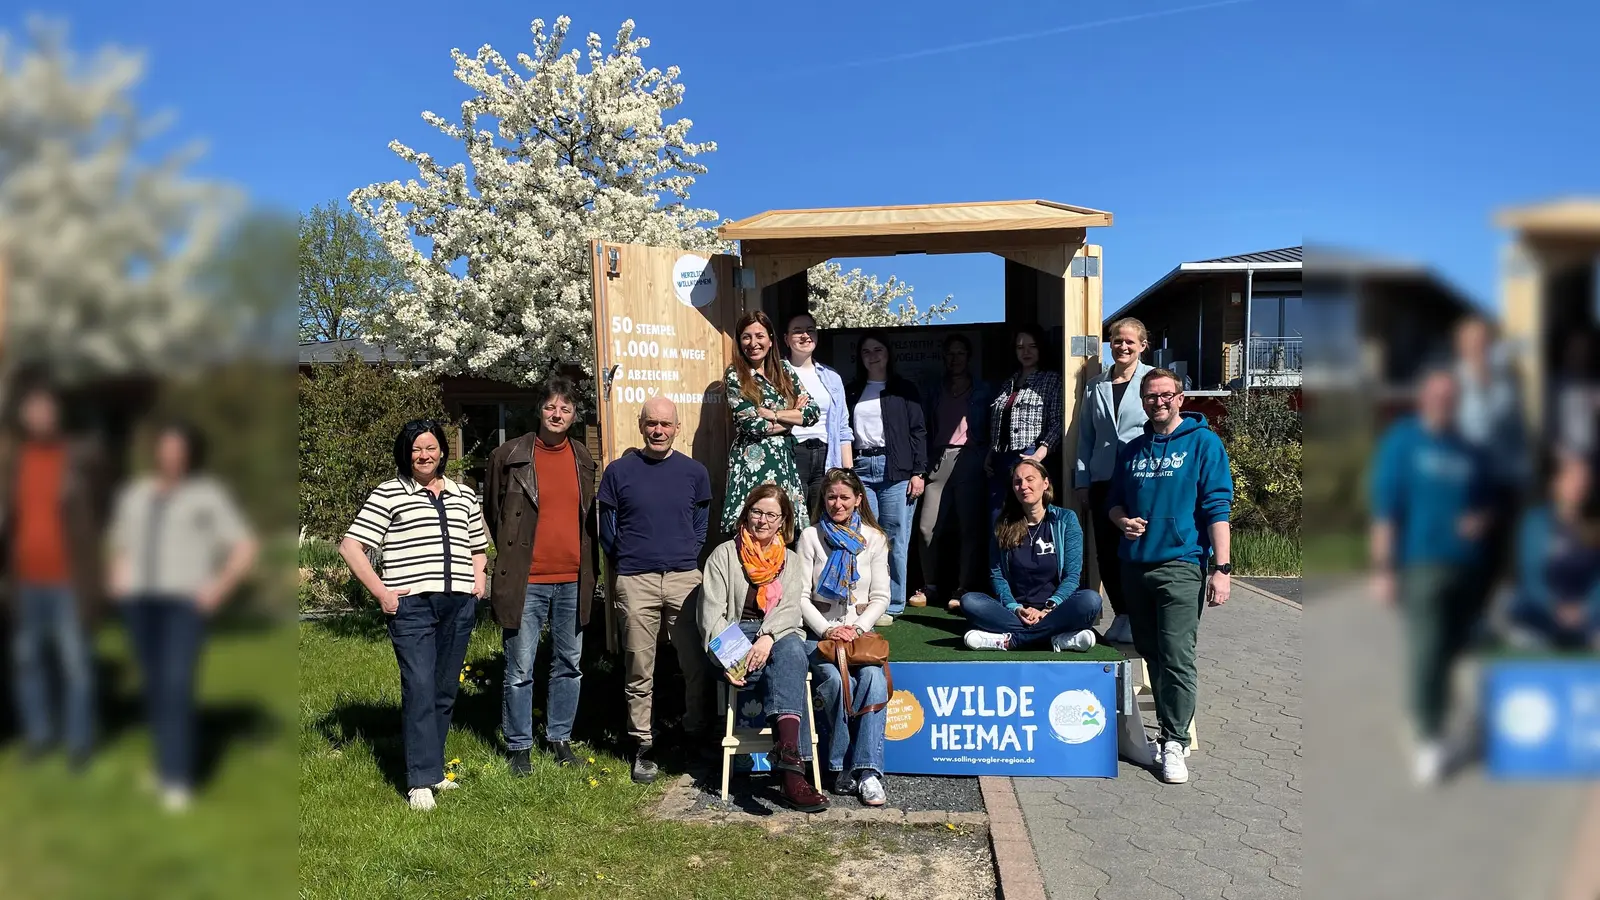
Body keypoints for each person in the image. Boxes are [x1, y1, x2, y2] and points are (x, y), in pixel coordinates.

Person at [107, 421, 257, 812]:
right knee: (155, 689)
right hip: (139, 605)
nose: (170, 456)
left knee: (175, 687)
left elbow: (244, 546)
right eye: (165, 449)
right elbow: (122, 543)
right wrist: (118, 577)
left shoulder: (206, 496)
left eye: (178, 450)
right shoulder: (136, 494)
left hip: (181, 606)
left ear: (188, 455)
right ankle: (164, 767)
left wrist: (217, 590)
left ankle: (177, 779)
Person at [341, 419, 488, 810]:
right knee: (420, 686)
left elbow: (477, 545)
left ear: (442, 450)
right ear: (406, 455)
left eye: (430, 448)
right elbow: (350, 546)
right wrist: (382, 593)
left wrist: (478, 580)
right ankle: (419, 781)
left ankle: (434, 770)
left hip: (457, 604)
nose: (424, 456)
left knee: (443, 689)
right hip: (412, 608)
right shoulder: (389, 494)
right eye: (415, 450)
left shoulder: (463, 495)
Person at [1370, 364, 1496, 785]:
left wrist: (1481, 519)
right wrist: (1384, 569)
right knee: (1427, 651)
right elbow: (1386, 510)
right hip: (1421, 564)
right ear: (1424, 399)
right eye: (1437, 396)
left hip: (1468, 568)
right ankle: (1428, 737)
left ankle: (1459, 722)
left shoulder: (1470, 449)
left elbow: (1488, 502)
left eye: (1450, 398)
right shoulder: (1404, 443)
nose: (1444, 403)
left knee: (1459, 651)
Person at [1107, 368, 1233, 786]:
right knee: (1150, 651)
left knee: (1177, 653)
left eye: (1165, 395)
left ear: (1180, 398)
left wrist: (1222, 569)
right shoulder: (1133, 449)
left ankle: (1175, 741)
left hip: (1182, 564)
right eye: (1149, 396)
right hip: (1135, 565)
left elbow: (1217, 506)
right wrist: (1123, 521)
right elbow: (1115, 504)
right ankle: (1167, 729)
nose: (1157, 402)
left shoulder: (1203, 443)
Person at [598, 397, 715, 783]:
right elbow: (607, 528)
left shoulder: (695, 473)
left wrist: (684, 555)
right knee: (638, 668)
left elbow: (701, 525)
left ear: (677, 428)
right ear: (641, 425)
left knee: (696, 664)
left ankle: (696, 734)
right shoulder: (618, 472)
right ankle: (642, 744)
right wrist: (629, 559)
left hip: (684, 579)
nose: (659, 431)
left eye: (666, 424)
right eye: (652, 424)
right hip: (635, 580)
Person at [485, 375, 599, 774]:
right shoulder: (510, 456)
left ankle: (559, 738)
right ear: (540, 410)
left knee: (569, 663)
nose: (557, 413)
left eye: (565, 408)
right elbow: (493, 511)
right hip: (527, 580)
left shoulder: (584, 458)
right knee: (520, 667)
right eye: (551, 406)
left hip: (573, 578)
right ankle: (519, 745)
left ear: (572, 415)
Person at [699, 485, 830, 812]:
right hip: (733, 633)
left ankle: (786, 755)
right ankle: (794, 777)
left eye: (771, 514)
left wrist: (767, 637)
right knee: (791, 666)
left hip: (775, 635)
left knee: (790, 651)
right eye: (757, 512)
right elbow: (711, 613)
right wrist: (733, 658)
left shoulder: (791, 560)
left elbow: (789, 610)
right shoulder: (724, 555)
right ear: (747, 513)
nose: (762, 520)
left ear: (783, 520)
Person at [0, 378, 105, 771]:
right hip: (25, 581)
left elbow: (100, 508)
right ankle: (40, 736)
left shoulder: (76, 458)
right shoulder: (16, 462)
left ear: (56, 414)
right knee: (28, 663)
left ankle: (79, 743)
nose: (40, 416)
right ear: (25, 418)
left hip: (67, 582)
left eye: (47, 409)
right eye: (33, 411)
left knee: (75, 664)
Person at [797, 468, 891, 806]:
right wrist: (826, 628)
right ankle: (837, 767)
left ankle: (868, 772)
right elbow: (801, 595)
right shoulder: (810, 537)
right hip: (820, 636)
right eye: (831, 497)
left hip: (858, 636)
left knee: (873, 681)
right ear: (823, 499)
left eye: (844, 497)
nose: (838, 503)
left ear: (858, 500)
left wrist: (858, 627)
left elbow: (881, 596)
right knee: (834, 682)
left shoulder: (874, 539)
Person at [960, 458, 1104, 653]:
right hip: (1015, 613)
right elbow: (997, 575)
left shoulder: (1065, 520)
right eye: (1017, 482)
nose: (1023, 486)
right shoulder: (1004, 525)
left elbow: (1072, 576)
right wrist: (1016, 608)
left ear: (1045, 483)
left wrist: (1047, 611)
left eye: (1030, 479)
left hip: (1055, 611)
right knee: (970, 601)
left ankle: (1011, 641)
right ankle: (1055, 639)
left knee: (1091, 600)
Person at [1074, 317, 1155, 645]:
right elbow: (1085, 436)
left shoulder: (1154, 380)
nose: (1122, 347)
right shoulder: (1096, 385)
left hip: (1142, 476)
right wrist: (1082, 479)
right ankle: (1121, 614)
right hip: (1103, 478)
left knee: (1137, 546)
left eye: (1129, 342)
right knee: (1106, 551)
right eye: (1116, 341)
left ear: (1142, 345)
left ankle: (1141, 615)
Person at [845, 332, 928, 618]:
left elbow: (918, 431)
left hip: (897, 470)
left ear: (888, 353)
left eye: (878, 349)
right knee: (863, 535)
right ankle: (864, 600)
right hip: (861, 469)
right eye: (866, 351)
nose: (872, 355)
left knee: (895, 537)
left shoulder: (904, 389)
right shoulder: (852, 390)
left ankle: (893, 603)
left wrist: (919, 472)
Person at [723, 311, 820, 535]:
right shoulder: (735, 375)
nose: (753, 343)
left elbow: (812, 412)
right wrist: (793, 415)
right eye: (746, 337)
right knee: (754, 529)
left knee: (783, 532)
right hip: (752, 464)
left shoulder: (785, 370)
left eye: (759, 336)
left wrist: (774, 414)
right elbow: (751, 425)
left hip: (784, 463)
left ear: (770, 339)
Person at [915, 334, 991, 611]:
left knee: (969, 528)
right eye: (950, 354)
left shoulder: (982, 389)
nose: (955, 359)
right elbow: (923, 425)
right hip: (938, 458)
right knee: (926, 527)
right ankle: (930, 585)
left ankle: (964, 587)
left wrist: (985, 454)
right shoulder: (934, 389)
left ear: (968, 357)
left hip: (970, 458)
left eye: (960, 353)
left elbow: (993, 425)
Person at [1506, 452, 1600, 651]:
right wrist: (1555, 607)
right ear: (1556, 483)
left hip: (1588, 615)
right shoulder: (1535, 522)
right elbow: (1531, 576)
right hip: (1542, 611)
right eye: (1572, 479)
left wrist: (1587, 608)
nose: (1579, 485)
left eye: (1584, 480)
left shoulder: (1595, 524)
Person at [987, 325, 1065, 519]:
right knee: (997, 517)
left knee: (1026, 518)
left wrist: (1039, 455)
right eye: (1020, 348)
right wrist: (990, 452)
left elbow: (1058, 423)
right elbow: (1000, 422)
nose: (1026, 352)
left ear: (1041, 348)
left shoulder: (1051, 380)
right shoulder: (1008, 382)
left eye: (1032, 346)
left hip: (1030, 456)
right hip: (1000, 458)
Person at [783, 312, 853, 514]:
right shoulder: (777, 373)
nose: (805, 335)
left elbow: (842, 427)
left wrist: (847, 473)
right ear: (786, 339)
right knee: (791, 517)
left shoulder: (831, 376)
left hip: (826, 455)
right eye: (797, 331)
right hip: (793, 452)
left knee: (821, 517)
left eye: (810, 330)